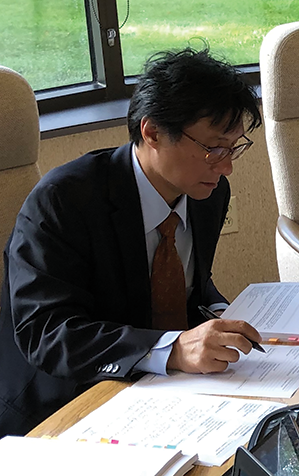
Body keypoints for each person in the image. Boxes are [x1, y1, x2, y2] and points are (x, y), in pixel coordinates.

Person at [0, 48, 264, 437]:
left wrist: (223, 314)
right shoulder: (64, 200)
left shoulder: (207, 192)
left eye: (234, 148)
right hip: (64, 404)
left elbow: (183, 283)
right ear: (153, 132)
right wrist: (171, 349)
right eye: (214, 149)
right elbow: (49, 333)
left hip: (167, 392)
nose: (225, 167)